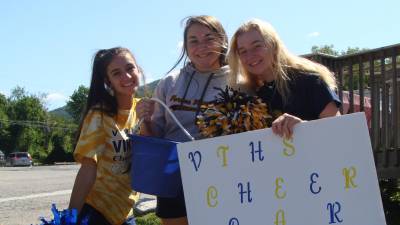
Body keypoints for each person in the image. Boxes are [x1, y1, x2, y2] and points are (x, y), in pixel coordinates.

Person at [136, 15, 229, 225]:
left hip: (220, 174)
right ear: (186, 47)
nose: (201, 46)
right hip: (172, 177)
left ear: (223, 41)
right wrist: (146, 120)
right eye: (193, 41)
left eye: (208, 38)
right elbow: (154, 139)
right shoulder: (170, 82)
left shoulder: (239, 81)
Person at [227, 19, 341, 138]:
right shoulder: (250, 97)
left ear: (273, 45)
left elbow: (340, 131)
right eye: (243, 51)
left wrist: (302, 127)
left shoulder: (311, 82)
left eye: (257, 46)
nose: (250, 55)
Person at [68, 47, 142, 225]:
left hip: (126, 211)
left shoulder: (143, 110)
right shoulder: (99, 115)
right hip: (96, 211)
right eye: (116, 73)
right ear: (108, 81)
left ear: (138, 69)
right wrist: (70, 218)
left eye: (130, 68)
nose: (126, 76)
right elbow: (87, 169)